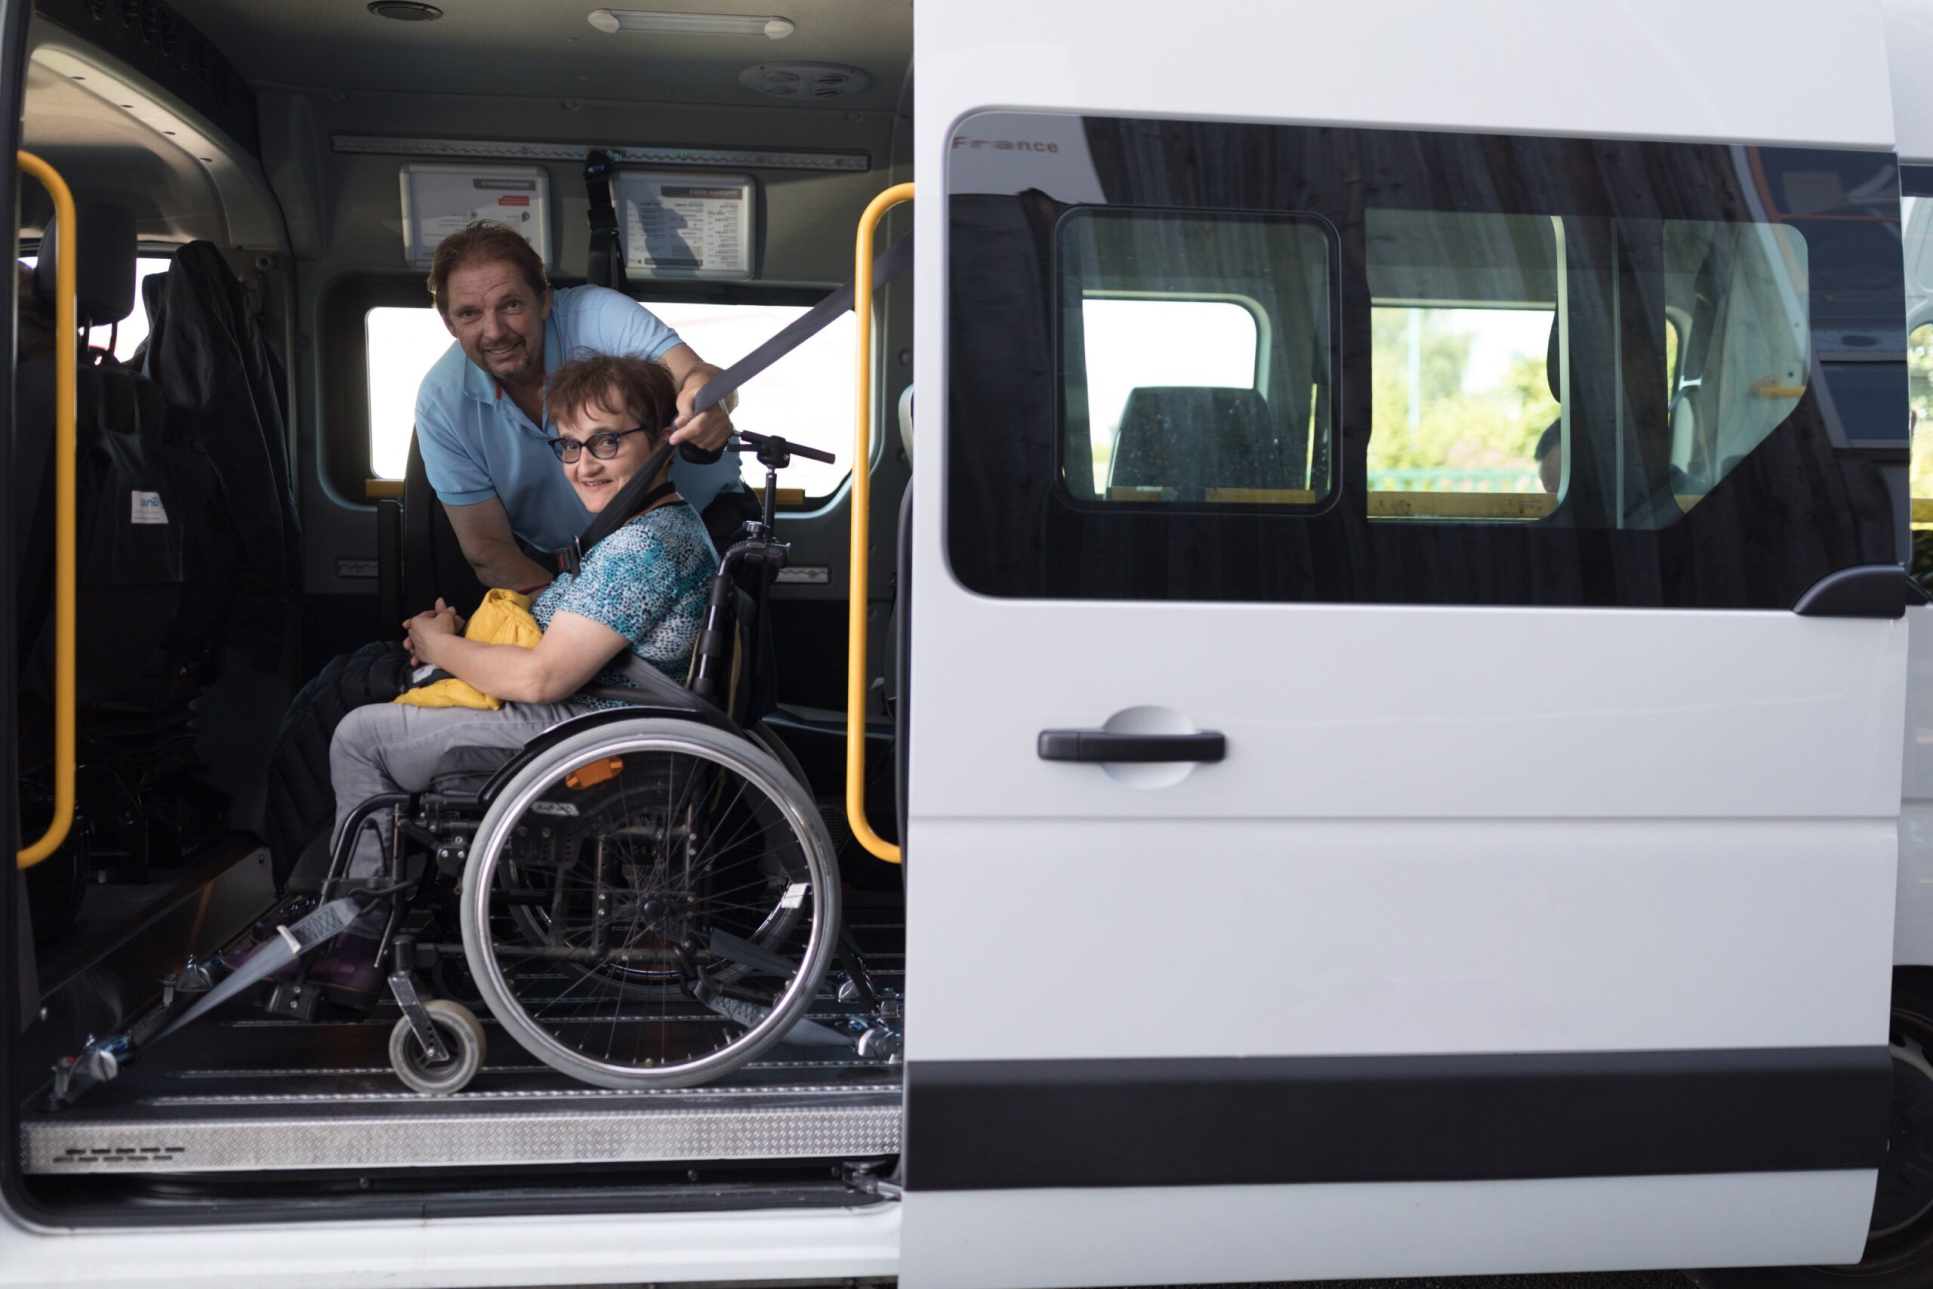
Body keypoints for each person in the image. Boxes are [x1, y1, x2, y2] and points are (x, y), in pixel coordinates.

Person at [303, 352, 719, 994]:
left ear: (664, 439)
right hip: (595, 718)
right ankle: (347, 902)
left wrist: (443, 651)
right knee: (357, 692)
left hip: (592, 736)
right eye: (570, 446)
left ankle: (356, 936)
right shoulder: (643, 527)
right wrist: (458, 637)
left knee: (360, 734)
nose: (584, 464)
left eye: (607, 441)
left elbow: (541, 680)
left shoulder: (646, 546)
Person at [415, 220, 740, 591]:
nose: (494, 331)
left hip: (702, 526)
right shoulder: (439, 401)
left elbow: (701, 377)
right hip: (569, 561)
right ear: (449, 323)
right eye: (470, 314)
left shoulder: (600, 315)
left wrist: (709, 402)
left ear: (543, 300)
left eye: (511, 304)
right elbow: (488, 550)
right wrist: (568, 623)